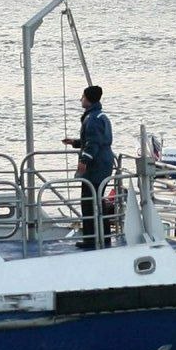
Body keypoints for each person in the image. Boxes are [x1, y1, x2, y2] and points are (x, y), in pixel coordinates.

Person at [61, 85, 114, 249]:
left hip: (96, 167)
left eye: (83, 97)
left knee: (89, 202)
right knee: (98, 201)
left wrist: (84, 160)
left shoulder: (92, 119)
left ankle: (91, 238)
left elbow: (94, 143)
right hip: (104, 163)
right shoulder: (100, 116)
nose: (80, 99)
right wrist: (76, 143)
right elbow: (94, 140)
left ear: (89, 100)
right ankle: (104, 237)